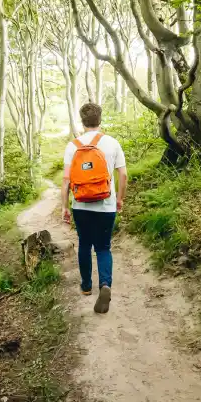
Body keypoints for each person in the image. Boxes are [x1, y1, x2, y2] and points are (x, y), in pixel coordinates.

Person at [61, 103, 127, 314]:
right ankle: (105, 284)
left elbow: (65, 180)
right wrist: (120, 199)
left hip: (81, 205)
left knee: (84, 245)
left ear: (82, 121)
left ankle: (87, 286)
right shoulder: (112, 143)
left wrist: (65, 207)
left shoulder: (73, 146)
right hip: (106, 205)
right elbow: (123, 175)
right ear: (100, 119)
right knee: (104, 247)